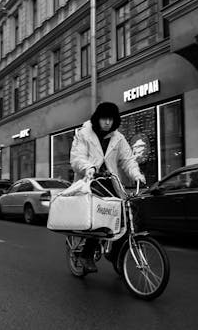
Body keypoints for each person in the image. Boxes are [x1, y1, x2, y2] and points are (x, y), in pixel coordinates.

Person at [70, 102, 146, 273]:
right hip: (89, 182)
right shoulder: (84, 134)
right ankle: (86, 254)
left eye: (111, 119)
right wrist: (88, 167)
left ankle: (116, 255)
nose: (107, 123)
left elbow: (128, 160)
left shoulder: (118, 138)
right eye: (104, 119)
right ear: (98, 118)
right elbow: (76, 158)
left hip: (110, 183)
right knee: (101, 215)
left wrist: (136, 175)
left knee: (126, 216)